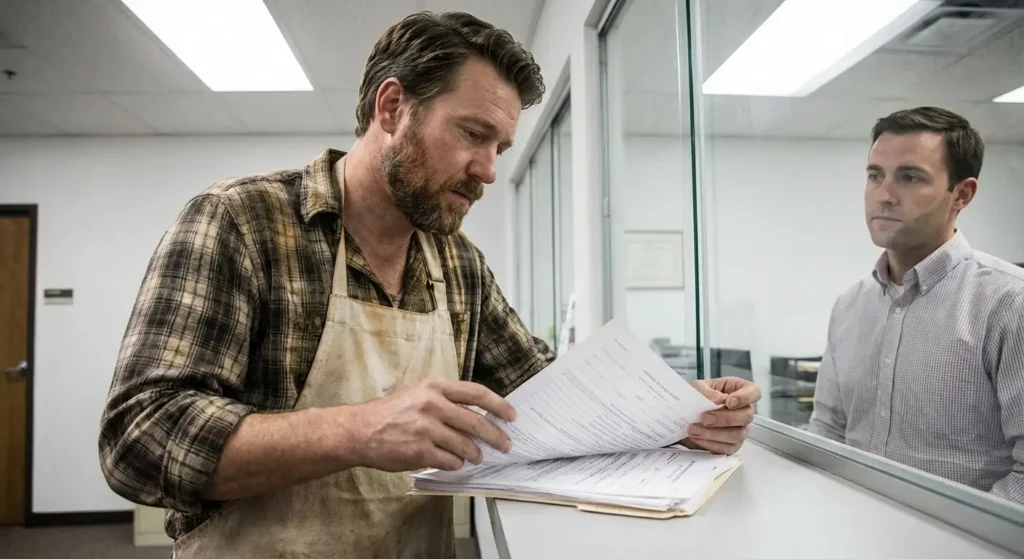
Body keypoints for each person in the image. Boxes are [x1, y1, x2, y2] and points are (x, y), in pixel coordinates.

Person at [98, 11, 762, 558]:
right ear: (392, 107)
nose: (489, 170)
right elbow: (138, 439)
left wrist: (681, 413)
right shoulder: (242, 222)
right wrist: (357, 430)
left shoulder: (459, 265)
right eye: (473, 134)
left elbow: (548, 397)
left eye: (501, 147)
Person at [808, 106, 1024, 504]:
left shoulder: (1010, 304)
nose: (884, 196)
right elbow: (828, 430)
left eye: (910, 177)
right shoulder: (849, 306)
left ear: (962, 194)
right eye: (875, 175)